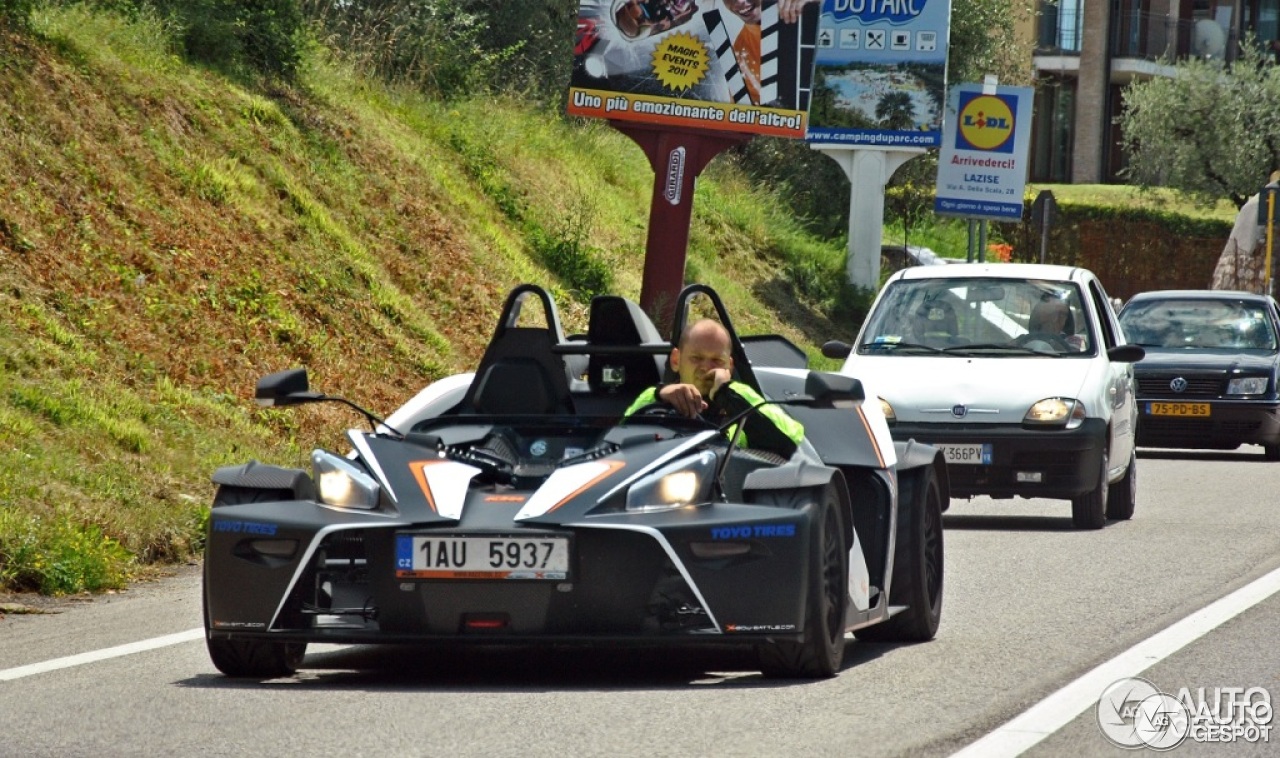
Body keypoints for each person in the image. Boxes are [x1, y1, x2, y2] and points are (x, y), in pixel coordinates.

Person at [623, 318, 804, 458]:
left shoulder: (741, 397)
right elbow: (620, 439)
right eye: (696, 358)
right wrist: (660, 395)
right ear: (676, 360)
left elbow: (794, 440)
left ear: (729, 367)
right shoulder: (656, 396)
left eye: (716, 361)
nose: (706, 367)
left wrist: (728, 391)